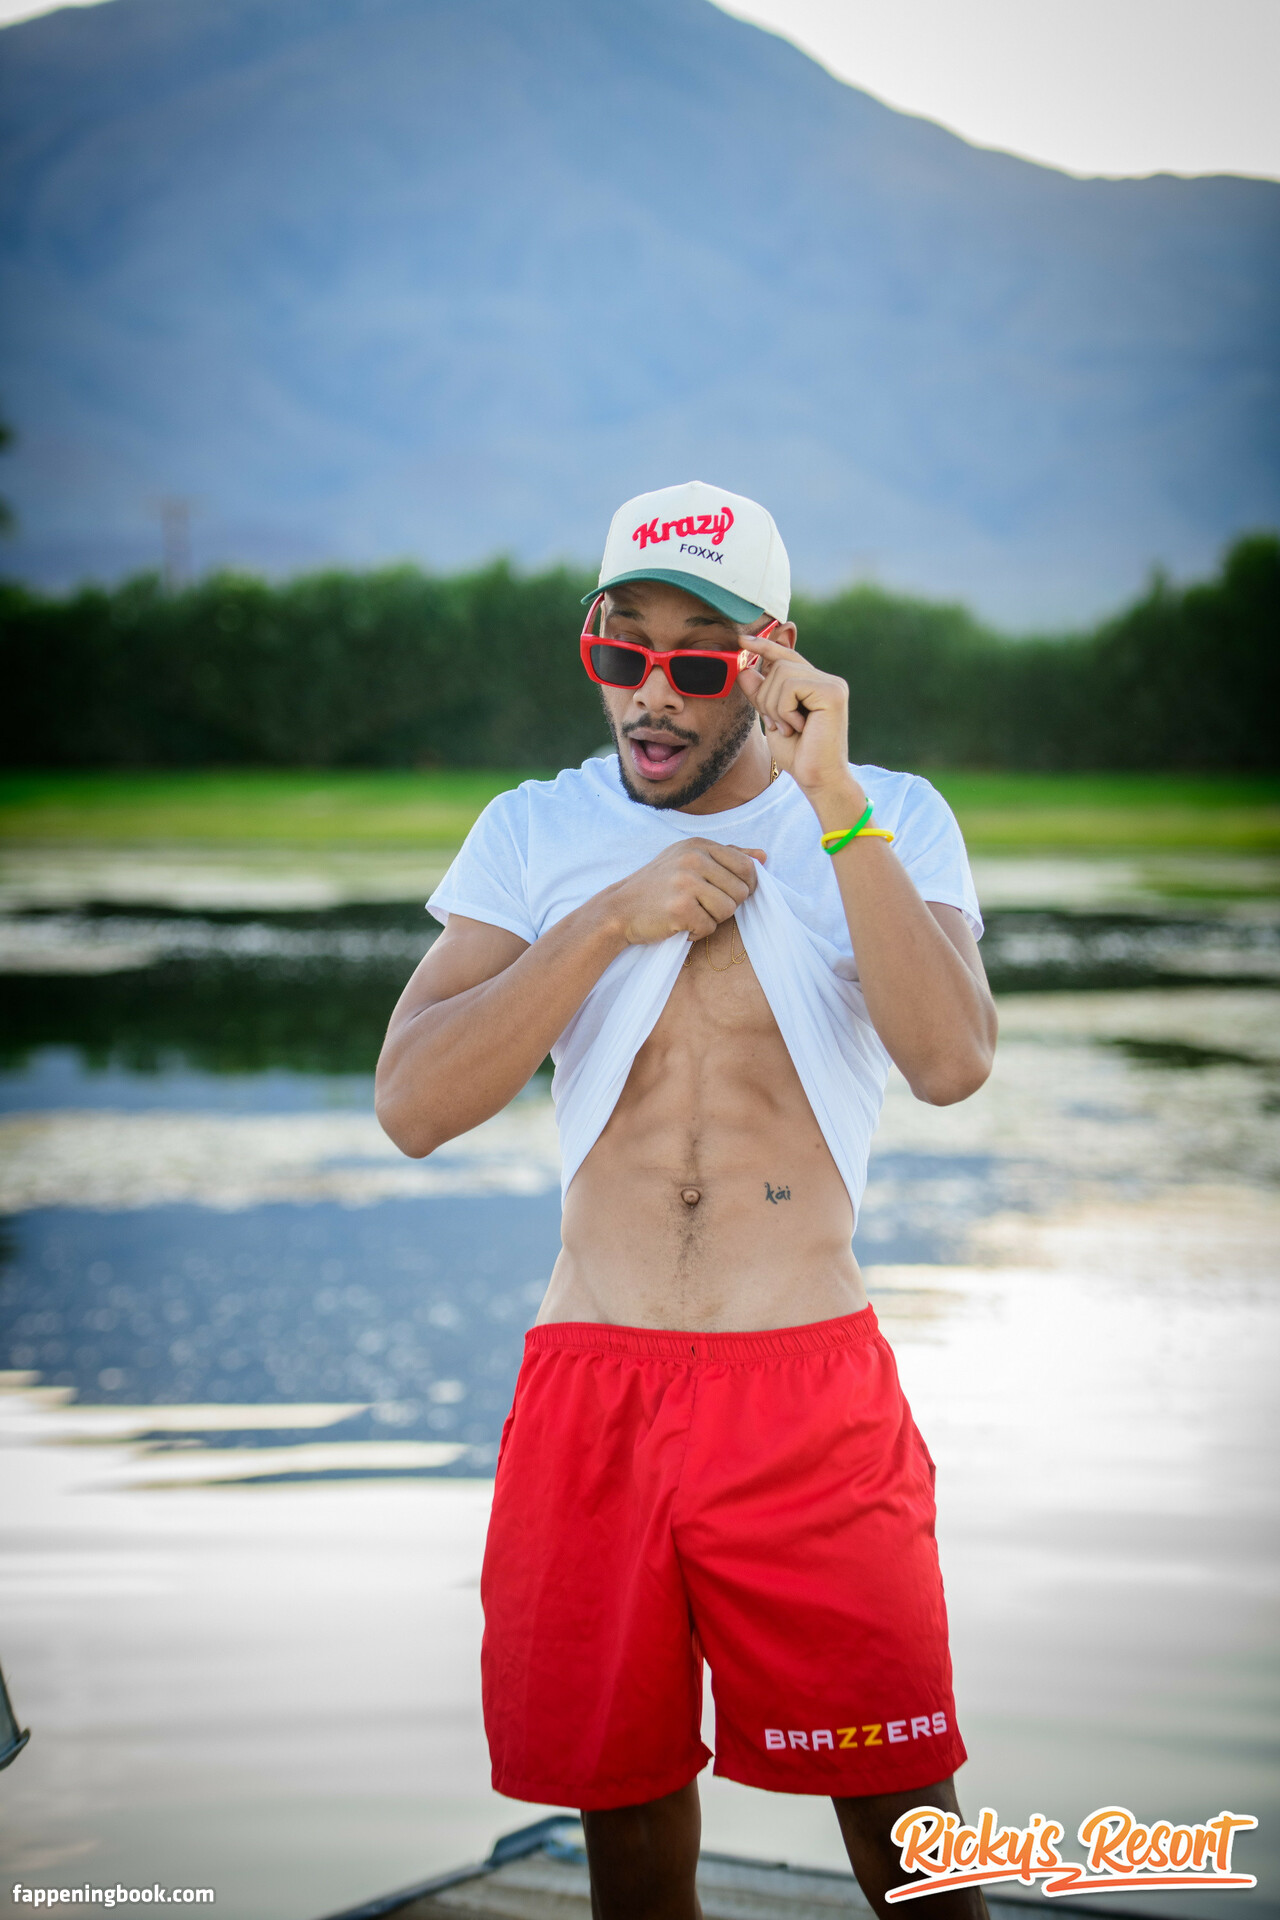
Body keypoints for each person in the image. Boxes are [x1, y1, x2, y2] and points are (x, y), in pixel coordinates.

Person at [376, 481, 997, 1919]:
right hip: (593, 1386)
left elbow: (952, 1062)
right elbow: (411, 1105)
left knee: (904, 1811)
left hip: (806, 1396)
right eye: (622, 652)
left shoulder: (890, 818)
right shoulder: (536, 832)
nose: (651, 694)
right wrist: (610, 918)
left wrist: (833, 804)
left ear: (772, 658)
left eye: (699, 662)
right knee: (628, 1811)